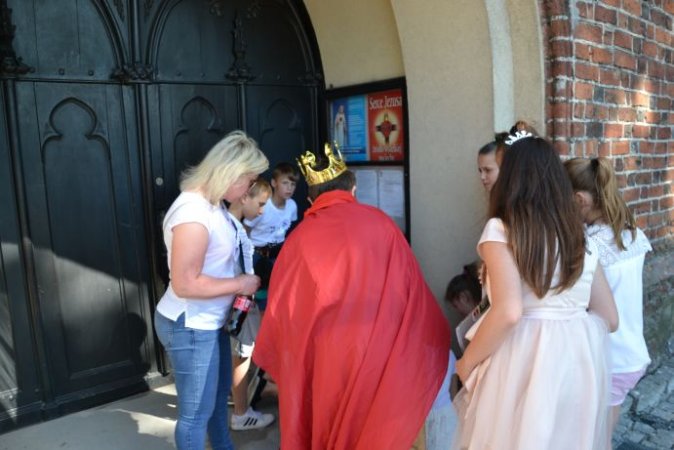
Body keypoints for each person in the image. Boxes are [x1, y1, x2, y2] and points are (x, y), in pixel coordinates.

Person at [253, 144, 452, 450]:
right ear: (353, 189)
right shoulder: (382, 224)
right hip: (382, 350)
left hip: (324, 360)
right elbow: (411, 291)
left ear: (311, 199)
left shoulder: (299, 240)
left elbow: (283, 312)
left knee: (327, 421)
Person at [451, 132, 619, 450]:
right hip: (577, 364)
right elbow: (609, 318)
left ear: (510, 179)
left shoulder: (502, 230)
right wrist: (569, 326)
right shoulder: (578, 236)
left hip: (520, 361)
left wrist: (466, 363)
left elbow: (509, 311)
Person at [153, 130, 268, 450]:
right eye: (249, 180)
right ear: (232, 173)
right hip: (190, 325)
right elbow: (185, 283)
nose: (249, 189)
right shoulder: (193, 211)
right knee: (195, 415)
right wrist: (240, 283)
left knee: (217, 402)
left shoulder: (211, 205)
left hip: (209, 323)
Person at [565, 156, 652, 439]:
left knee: (591, 438)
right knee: (600, 435)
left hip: (608, 359)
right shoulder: (632, 235)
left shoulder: (591, 246)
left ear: (579, 200)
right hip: (630, 352)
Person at [226, 178, 276, 431]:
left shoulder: (233, 225)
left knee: (244, 354)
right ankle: (241, 413)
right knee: (242, 355)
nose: (262, 210)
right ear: (244, 197)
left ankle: (243, 403)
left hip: (241, 300)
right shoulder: (229, 228)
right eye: (261, 203)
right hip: (239, 302)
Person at [244, 162, 298, 304]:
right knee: (256, 291)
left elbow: (290, 228)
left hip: (277, 253)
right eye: (285, 183)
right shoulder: (263, 206)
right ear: (274, 183)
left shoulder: (292, 206)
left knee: (276, 291)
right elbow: (246, 228)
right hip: (257, 253)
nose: (289, 188)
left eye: (293, 184)